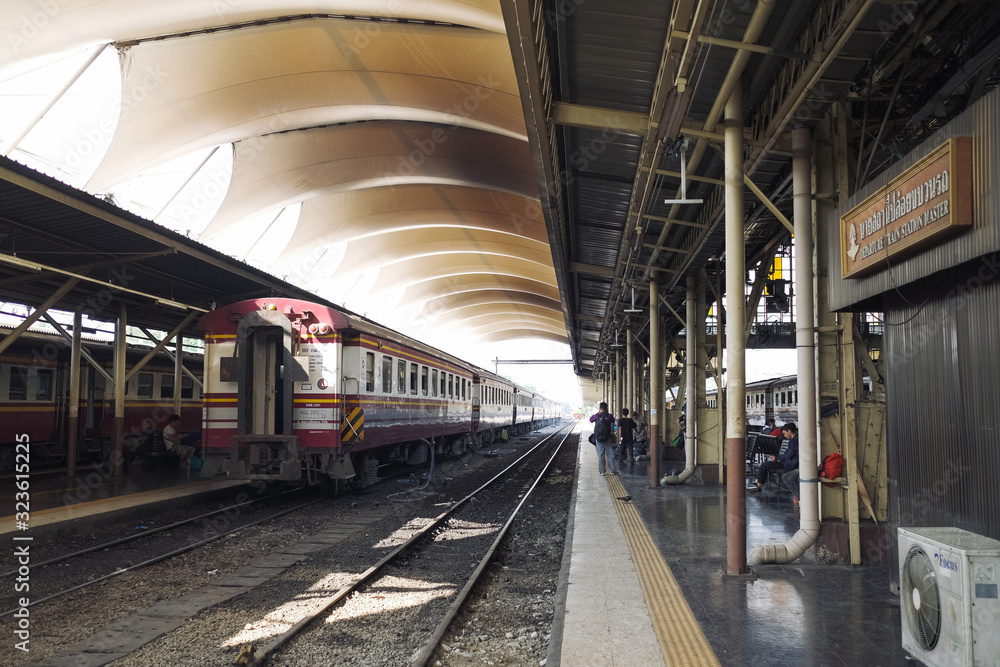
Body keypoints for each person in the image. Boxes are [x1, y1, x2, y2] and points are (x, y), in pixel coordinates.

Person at [747, 422, 798, 492]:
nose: (784, 435)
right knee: (765, 465)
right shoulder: (793, 440)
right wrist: (776, 457)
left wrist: (776, 458)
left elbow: (789, 455)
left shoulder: (794, 441)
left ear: (789, 431)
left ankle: (758, 486)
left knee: (764, 466)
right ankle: (757, 483)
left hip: (788, 464)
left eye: (785, 433)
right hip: (787, 462)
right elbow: (788, 454)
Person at [589, 402, 618, 476]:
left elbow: (590, 420)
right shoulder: (609, 416)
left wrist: (597, 415)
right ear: (606, 408)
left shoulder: (596, 416)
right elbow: (614, 421)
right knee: (611, 454)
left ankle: (602, 471)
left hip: (598, 438)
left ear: (599, 408)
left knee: (601, 455)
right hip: (607, 438)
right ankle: (612, 470)